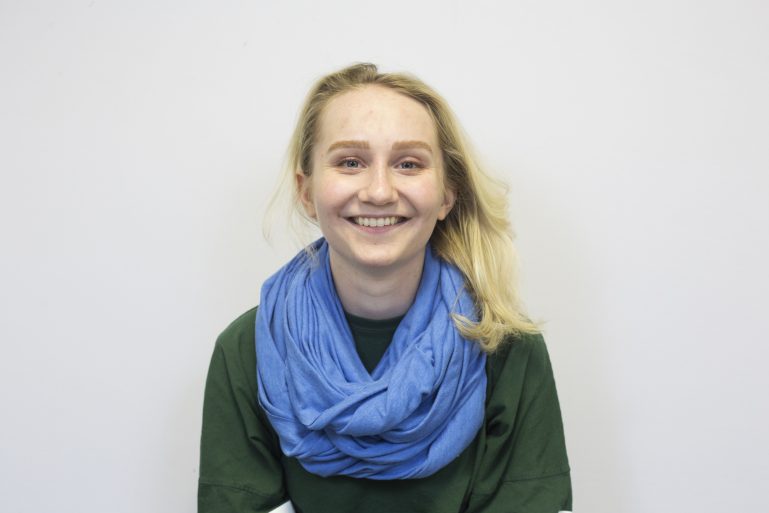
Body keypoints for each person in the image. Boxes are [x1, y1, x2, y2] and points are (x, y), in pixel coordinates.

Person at [198, 63, 572, 513]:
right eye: (350, 162)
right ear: (306, 191)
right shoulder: (249, 350)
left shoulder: (505, 348)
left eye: (408, 164)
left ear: (447, 194)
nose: (379, 191)